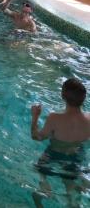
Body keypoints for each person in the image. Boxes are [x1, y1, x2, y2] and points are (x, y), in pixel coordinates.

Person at [31, 78, 90, 206]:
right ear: (83, 99)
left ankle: (44, 191)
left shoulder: (54, 118)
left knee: (40, 172)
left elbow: (37, 137)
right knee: (71, 188)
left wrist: (35, 117)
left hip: (53, 155)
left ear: (62, 96)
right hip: (76, 158)